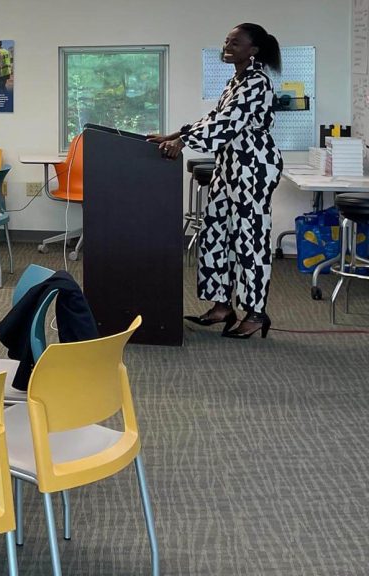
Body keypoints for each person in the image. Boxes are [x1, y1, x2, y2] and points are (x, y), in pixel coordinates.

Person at [148, 23, 283, 339]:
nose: (228, 46)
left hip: (253, 167)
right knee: (215, 232)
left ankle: (255, 312)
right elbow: (213, 118)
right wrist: (177, 134)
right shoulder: (236, 80)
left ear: (254, 50)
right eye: (227, 41)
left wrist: (183, 143)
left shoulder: (257, 83)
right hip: (228, 165)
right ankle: (222, 305)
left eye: (236, 42)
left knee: (250, 239)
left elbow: (228, 122)